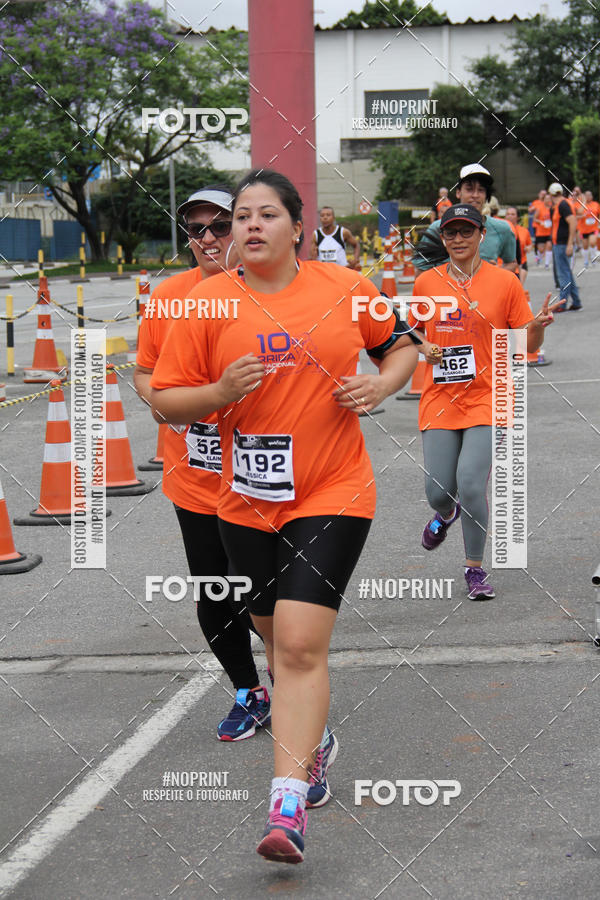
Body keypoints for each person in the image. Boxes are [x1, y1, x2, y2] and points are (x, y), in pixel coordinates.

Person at [151, 169, 418, 864]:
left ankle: (286, 805)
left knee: (299, 644)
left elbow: (402, 345)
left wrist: (382, 384)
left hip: (333, 489)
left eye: (265, 214)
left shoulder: (344, 288)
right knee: (275, 640)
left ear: (299, 226)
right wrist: (218, 390)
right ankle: (316, 742)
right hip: (242, 502)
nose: (248, 226)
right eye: (240, 216)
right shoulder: (206, 304)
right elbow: (167, 402)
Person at [134, 185, 270, 742]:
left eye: (220, 225)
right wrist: (163, 402)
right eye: (197, 229)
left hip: (265, 476)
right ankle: (249, 691)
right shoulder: (169, 297)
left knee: (268, 595)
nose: (209, 238)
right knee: (215, 592)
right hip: (195, 475)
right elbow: (144, 372)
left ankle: (298, 685)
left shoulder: (274, 290)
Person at [408, 204, 560, 600]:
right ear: (443, 238)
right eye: (450, 233)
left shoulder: (504, 282)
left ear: (480, 235)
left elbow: (524, 342)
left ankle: (474, 569)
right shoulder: (426, 283)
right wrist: (424, 347)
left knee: (471, 483)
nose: (458, 239)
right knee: (439, 491)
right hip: (440, 397)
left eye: (466, 232)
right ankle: (445, 514)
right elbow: (410, 334)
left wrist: (538, 328)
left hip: (489, 395)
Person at [413, 164, 517, 273]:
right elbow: (421, 270)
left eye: (481, 190)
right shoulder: (437, 228)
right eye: (469, 189)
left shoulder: (502, 229)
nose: (475, 195)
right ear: (458, 192)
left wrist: (495, 274)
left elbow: (511, 263)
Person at [548, 182, 583, 311]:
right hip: (560, 243)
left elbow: (573, 222)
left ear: (551, 194)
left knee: (563, 274)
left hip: (562, 244)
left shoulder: (563, 204)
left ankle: (562, 304)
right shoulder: (559, 205)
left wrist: (570, 244)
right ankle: (577, 301)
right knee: (567, 273)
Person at [505, 206, 532, 284]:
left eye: (513, 214)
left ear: (517, 217)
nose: (510, 216)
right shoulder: (501, 230)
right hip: (505, 264)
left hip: (521, 263)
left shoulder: (524, 231)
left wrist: (528, 248)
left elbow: (530, 244)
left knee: (519, 287)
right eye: (508, 214)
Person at [578, 190, 600, 267]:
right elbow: (578, 213)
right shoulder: (581, 205)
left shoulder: (596, 204)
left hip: (593, 228)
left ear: (592, 196)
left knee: (592, 243)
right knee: (585, 246)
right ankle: (586, 261)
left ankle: (593, 259)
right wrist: (583, 202)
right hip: (583, 229)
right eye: (586, 195)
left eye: (589, 195)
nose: (588, 197)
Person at [532, 194, 553, 269]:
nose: (548, 200)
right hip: (541, 231)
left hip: (549, 231)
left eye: (549, 199)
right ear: (544, 200)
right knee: (541, 249)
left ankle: (547, 264)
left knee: (549, 246)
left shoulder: (552, 208)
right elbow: (535, 219)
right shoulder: (540, 208)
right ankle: (539, 258)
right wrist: (541, 222)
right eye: (546, 199)